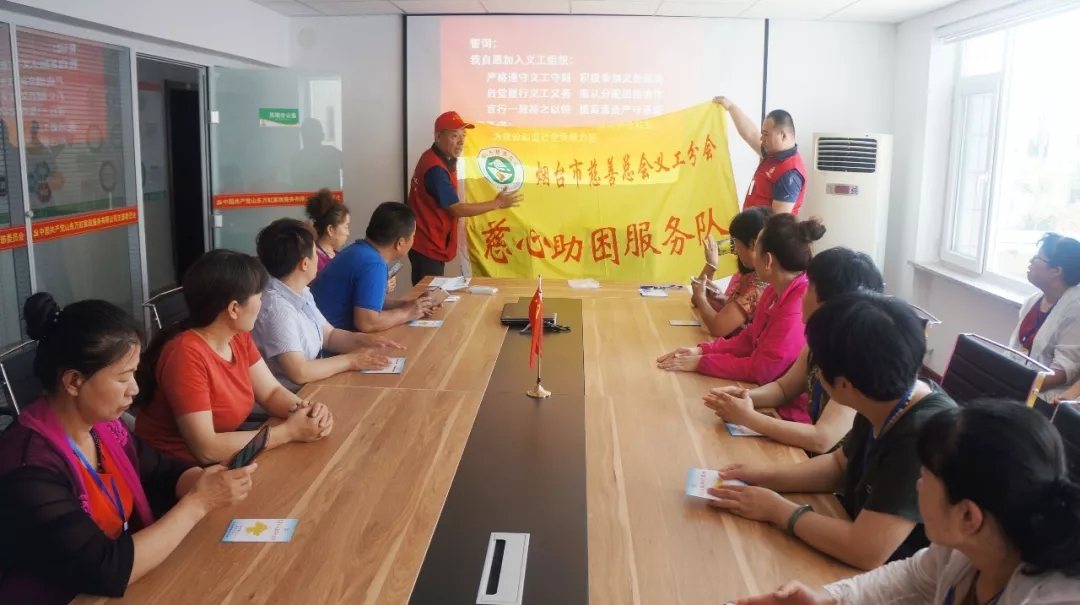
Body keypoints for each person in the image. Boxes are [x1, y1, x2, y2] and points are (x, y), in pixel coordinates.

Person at [0, 294, 255, 604]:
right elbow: (104, 568)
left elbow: (160, 471)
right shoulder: (28, 468)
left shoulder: (102, 427)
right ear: (74, 382)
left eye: (134, 373)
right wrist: (199, 503)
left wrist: (206, 481)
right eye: (123, 378)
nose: (134, 389)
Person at [731, 401, 1080, 605]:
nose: (917, 484)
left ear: (968, 516)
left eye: (925, 475)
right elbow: (912, 579)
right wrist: (829, 598)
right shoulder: (975, 544)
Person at [708, 292, 958, 571]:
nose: (816, 374)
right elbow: (839, 466)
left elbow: (865, 550)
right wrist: (762, 477)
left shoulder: (922, 436)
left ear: (844, 385)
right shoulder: (885, 394)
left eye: (820, 368)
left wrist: (776, 509)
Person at [135, 250, 334, 465]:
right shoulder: (185, 354)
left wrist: (307, 411)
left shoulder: (237, 336)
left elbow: (271, 393)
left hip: (228, 456)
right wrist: (288, 432)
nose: (262, 302)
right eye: (259, 296)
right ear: (234, 309)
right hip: (179, 470)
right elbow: (207, 449)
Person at [704, 248, 885, 455]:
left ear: (830, 304)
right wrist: (744, 396)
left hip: (825, 467)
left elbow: (821, 439)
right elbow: (783, 389)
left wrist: (748, 417)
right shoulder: (818, 343)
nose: (803, 295)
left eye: (810, 289)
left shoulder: (858, 360)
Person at [657, 215, 826, 423]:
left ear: (767, 260)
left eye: (756, 249)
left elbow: (761, 371)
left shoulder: (796, 305)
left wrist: (703, 362)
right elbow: (748, 338)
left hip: (785, 414)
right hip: (761, 395)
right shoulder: (773, 291)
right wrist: (701, 350)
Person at [254, 218, 407, 391]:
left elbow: (329, 336)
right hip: (296, 396)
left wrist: (365, 341)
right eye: (315, 253)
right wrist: (350, 360)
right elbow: (300, 372)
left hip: (315, 386)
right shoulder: (276, 308)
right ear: (304, 264)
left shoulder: (301, 291)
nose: (317, 258)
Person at [406, 110, 524, 285]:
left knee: (431, 294)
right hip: (427, 245)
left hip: (430, 241)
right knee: (428, 297)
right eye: (455, 136)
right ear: (438, 137)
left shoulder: (438, 157)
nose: (461, 142)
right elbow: (457, 209)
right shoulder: (435, 169)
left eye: (464, 135)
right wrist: (497, 203)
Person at [312, 202, 434, 333]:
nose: (413, 241)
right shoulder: (374, 264)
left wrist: (409, 305)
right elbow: (367, 322)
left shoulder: (357, 250)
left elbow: (368, 302)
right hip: (323, 342)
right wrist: (407, 313)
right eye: (413, 236)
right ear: (400, 243)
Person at [1008, 233, 1080, 402]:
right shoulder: (1034, 300)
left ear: (1056, 271)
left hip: (1046, 396)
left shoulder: (1075, 309)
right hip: (1019, 382)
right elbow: (1015, 350)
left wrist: (1015, 386)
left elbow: (1062, 372)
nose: (1031, 261)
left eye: (1037, 257)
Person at [713, 96, 806, 215]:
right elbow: (751, 134)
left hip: (763, 227)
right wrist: (731, 107)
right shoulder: (772, 154)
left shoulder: (790, 173)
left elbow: (777, 221)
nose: (762, 138)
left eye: (766, 134)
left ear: (783, 135)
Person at [692, 206, 772, 338]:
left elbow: (718, 327)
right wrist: (723, 299)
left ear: (753, 245)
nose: (735, 251)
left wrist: (701, 297)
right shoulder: (754, 277)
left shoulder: (758, 284)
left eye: (736, 243)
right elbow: (695, 301)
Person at [306, 188, 351, 273]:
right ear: (330, 229)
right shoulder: (315, 261)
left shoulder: (337, 255)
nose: (348, 233)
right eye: (345, 227)